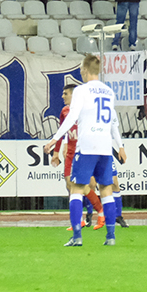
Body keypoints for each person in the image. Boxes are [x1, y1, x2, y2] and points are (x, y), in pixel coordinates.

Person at [46, 55, 126, 246]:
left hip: (88, 145)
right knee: (106, 189)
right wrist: (120, 146)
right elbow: (112, 121)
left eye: (81, 69)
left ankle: (77, 236)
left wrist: (55, 138)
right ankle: (111, 237)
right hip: (105, 146)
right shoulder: (108, 91)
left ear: (84, 69)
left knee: (76, 188)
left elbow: (72, 116)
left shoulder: (81, 90)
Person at [55, 81, 103, 230]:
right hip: (70, 152)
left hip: (84, 151)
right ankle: (81, 219)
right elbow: (62, 131)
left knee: (86, 185)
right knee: (70, 185)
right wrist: (56, 151)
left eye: (65, 94)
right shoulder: (64, 111)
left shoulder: (86, 109)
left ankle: (99, 211)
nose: (63, 96)